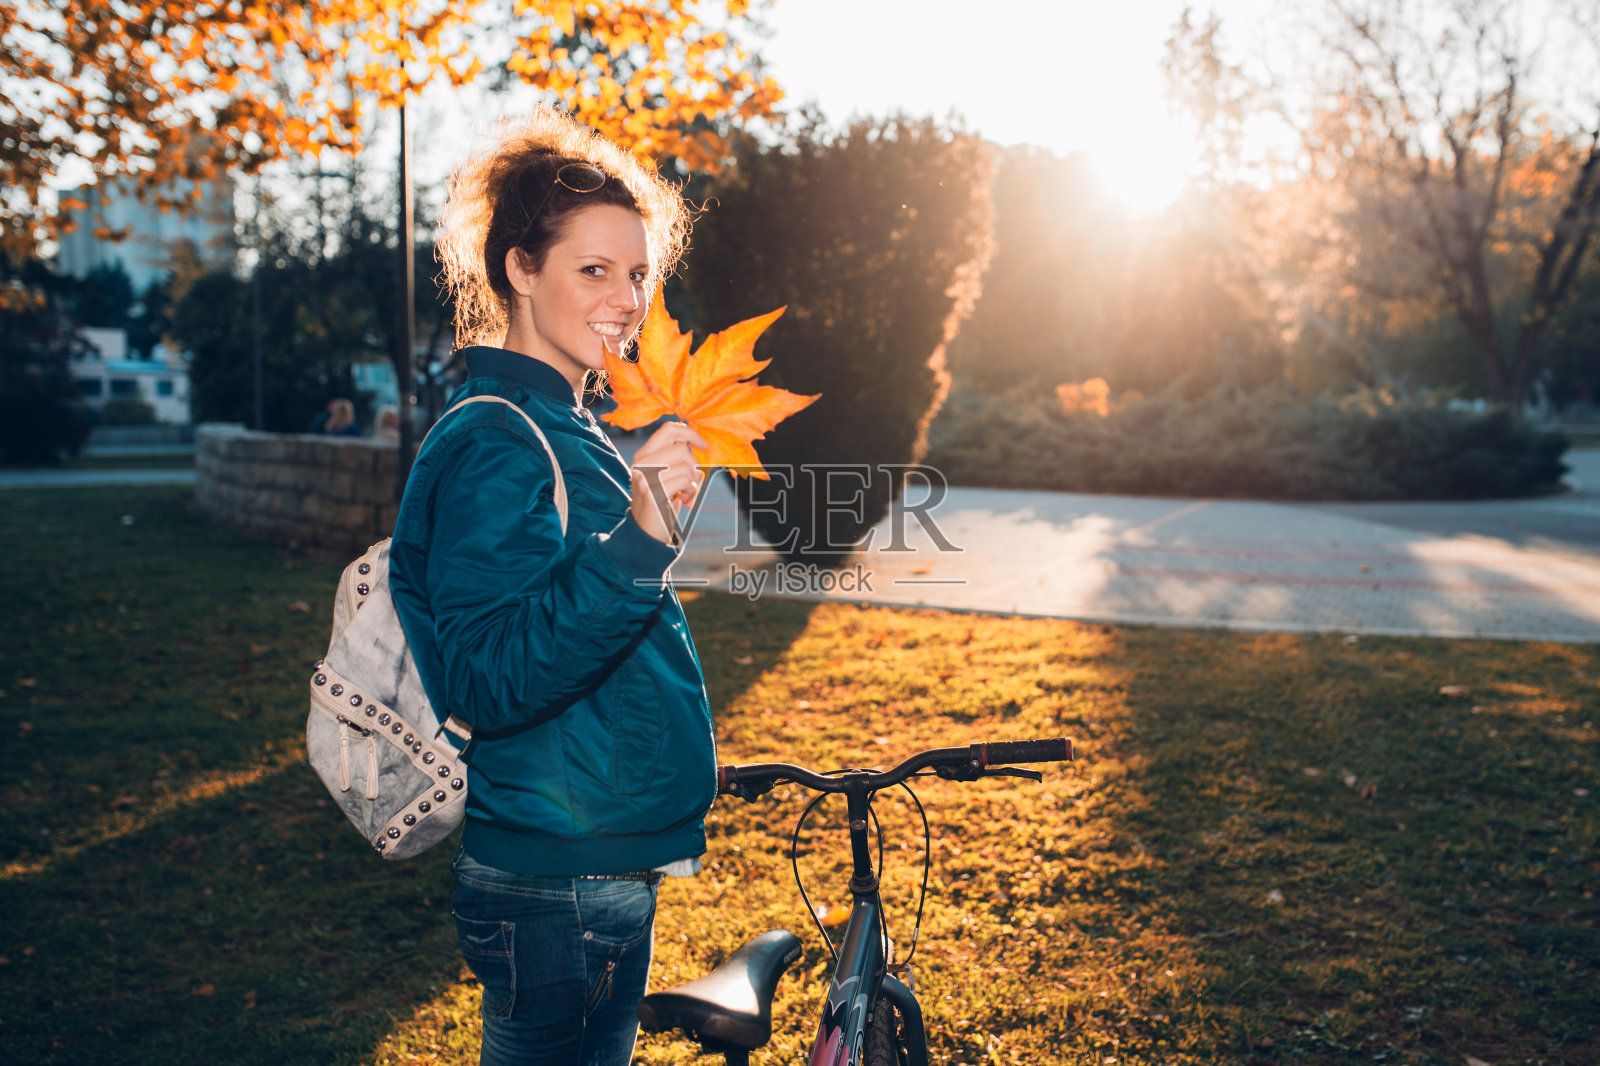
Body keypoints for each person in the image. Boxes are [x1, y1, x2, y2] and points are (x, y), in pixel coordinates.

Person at [386, 108, 713, 1066]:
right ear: (520, 271)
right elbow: (487, 677)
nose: (628, 297)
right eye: (594, 269)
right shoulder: (495, 438)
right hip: (557, 887)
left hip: (584, 869)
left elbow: (600, 643)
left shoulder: (561, 424)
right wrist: (643, 538)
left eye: (640, 272)